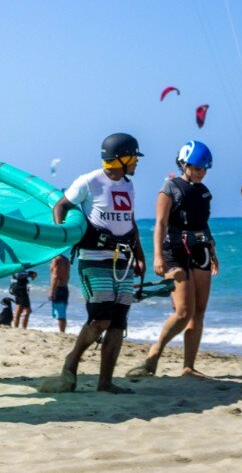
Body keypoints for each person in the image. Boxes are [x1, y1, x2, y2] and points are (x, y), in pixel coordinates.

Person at [41, 133, 146, 394]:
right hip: (94, 258)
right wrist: (61, 247)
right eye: (134, 157)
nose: (137, 163)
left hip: (123, 260)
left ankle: (105, 382)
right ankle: (71, 364)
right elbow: (60, 206)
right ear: (121, 158)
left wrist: (140, 255)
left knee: (119, 322)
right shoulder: (89, 181)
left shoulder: (128, 184)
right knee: (101, 319)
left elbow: (129, 222)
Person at [129, 140, 218, 378]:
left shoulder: (204, 192)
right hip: (174, 253)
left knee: (199, 311)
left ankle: (188, 366)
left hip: (201, 252)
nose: (201, 172)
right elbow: (161, 223)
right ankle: (155, 352)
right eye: (197, 167)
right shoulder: (169, 187)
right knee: (183, 311)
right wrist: (157, 255)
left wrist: (213, 251)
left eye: (204, 168)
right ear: (184, 164)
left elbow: (203, 223)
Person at [49, 253, 71, 332]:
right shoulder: (66, 259)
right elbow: (68, 276)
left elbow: (55, 276)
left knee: (60, 313)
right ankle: (62, 331)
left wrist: (51, 291)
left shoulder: (56, 260)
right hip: (65, 288)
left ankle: (62, 332)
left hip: (58, 288)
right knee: (62, 311)